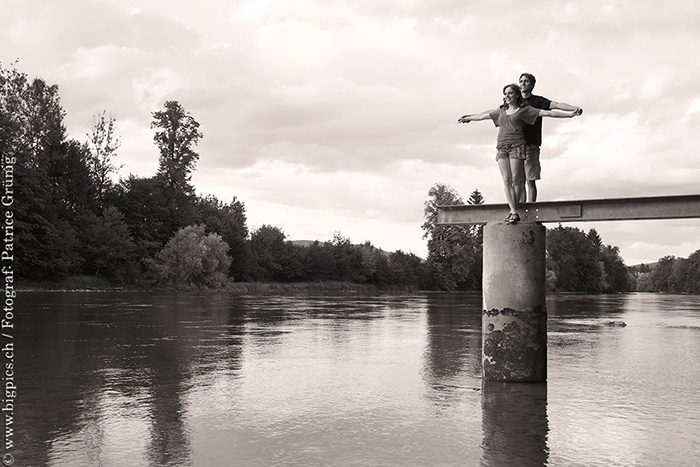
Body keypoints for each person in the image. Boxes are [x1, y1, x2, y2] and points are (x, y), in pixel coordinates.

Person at [458, 83, 581, 223]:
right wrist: (469, 117)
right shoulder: (501, 110)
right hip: (502, 147)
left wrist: (570, 115)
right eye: (505, 94)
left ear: (517, 94)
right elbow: (484, 115)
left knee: (517, 179)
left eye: (510, 93)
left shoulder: (524, 110)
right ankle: (514, 211)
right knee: (506, 180)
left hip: (517, 146)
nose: (507, 96)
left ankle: (514, 211)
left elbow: (547, 112)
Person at [518, 73, 582, 203]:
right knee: (519, 180)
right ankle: (521, 208)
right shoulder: (515, 101)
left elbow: (557, 105)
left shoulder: (538, 101)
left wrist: (573, 109)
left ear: (532, 85)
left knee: (530, 180)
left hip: (531, 144)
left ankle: (530, 208)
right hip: (516, 145)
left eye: (526, 81)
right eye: (521, 81)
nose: (523, 84)